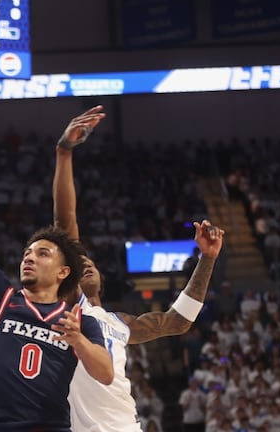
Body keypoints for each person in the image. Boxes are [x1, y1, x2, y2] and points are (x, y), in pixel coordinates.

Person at [52, 106, 224, 431]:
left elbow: (179, 321)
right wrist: (64, 153)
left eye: (91, 263)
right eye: (79, 262)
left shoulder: (121, 323)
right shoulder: (71, 308)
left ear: (103, 278)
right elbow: (65, 223)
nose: (85, 264)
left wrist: (207, 259)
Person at [0, 112, 113, 431]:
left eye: (42, 253)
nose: (29, 258)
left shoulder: (80, 320)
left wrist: (77, 340)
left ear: (64, 272)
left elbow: (105, 372)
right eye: (27, 253)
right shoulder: (0, 298)